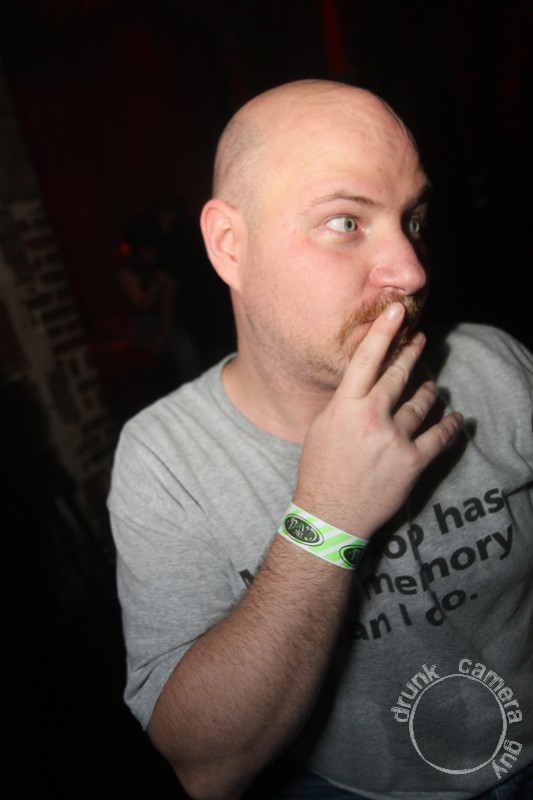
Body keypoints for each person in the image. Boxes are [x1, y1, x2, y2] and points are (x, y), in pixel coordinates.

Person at [108, 80, 533, 800]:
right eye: (345, 221)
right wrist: (327, 519)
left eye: (413, 220)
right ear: (229, 245)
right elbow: (207, 766)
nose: (410, 271)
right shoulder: (165, 458)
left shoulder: (492, 365)